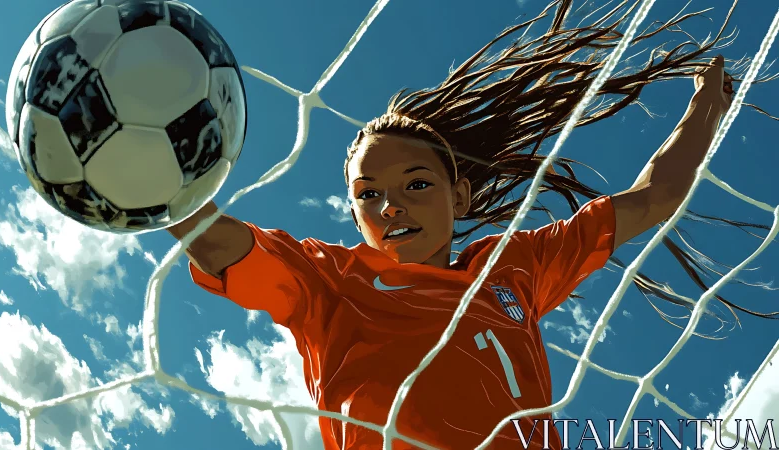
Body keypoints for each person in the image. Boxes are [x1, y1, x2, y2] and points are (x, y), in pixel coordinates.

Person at [168, 2, 773, 448]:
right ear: (352, 213)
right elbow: (222, 245)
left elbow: (656, 196)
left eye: (417, 185)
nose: (392, 207)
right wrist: (152, 180)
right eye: (368, 194)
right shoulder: (329, 279)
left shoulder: (517, 267)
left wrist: (705, 108)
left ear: (458, 196)